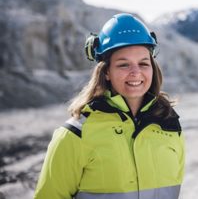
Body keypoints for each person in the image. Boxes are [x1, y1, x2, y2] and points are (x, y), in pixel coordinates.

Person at [34, 13, 185, 199]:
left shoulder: (169, 126)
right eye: (123, 65)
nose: (135, 73)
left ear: (153, 68)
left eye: (143, 63)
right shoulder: (75, 135)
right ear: (106, 72)